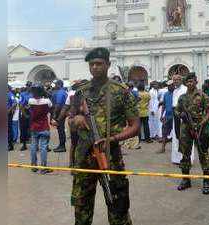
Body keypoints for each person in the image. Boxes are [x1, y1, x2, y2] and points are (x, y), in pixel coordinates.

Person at [71, 47, 139, 225]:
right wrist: (76, 119)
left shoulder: (121, 91)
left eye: (99, 64)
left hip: (110, 156)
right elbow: (70, 119)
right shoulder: (81, 92)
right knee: (81, 206)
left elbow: (135, 126)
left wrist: (113, 139)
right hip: (84, 157)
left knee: (117, 204)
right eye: (91, 64)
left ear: (108, 64)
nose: (95, 67)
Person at [175, 73, 209, 195]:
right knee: (185, 154)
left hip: (199, 127)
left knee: (203, 153)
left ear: (196, 81)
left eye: (192, 81)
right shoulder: (182, 97)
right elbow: (177, 110)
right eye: (188, 82)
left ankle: (206, 182)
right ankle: (186, 179)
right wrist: (180, 115)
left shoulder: (202, 95)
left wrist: (202, 122)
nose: (190, 83)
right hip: (186, 128)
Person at [28, 84, 53, 174]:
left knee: (33, 147)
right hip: (44, 127)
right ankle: (43, 167)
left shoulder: (30, 100)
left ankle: (33, 166)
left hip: (34, 127)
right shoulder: (47, 101)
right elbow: (51, 107)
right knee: (43, 148)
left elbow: (28, 108)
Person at [157, 80, 175, 153]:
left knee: (177, 134)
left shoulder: (176, 93)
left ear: (173, 85)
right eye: (168, 85)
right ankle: (163, 148)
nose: (168, 87)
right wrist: (162, 115)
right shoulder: (166, 94)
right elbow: (164, 105)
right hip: (167, 116)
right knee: (164, 132)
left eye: (170, 85)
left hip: (175, 117)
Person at [51, 79, 68, 152]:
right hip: (62, 112)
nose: (55, 86)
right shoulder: (63, 91)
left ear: (59, 85)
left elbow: (58, 105)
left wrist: (54, 115)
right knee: (60, 129)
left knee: (61, 130)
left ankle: (62, 146)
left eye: (56, 84)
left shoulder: (60, 92)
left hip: (60, 113)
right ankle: (61, 145)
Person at [19, 82, 33, 151]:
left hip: (31, 113)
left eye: (30, 86)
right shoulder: (22, 94)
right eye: (28, 86)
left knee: (33, 130)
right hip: (24, 114)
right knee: (23, 130)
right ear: (26, 86)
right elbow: (20, 105)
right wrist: (25, 115)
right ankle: (24, 145)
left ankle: (34, 144)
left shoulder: (33, 94)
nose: (29, 87)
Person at [7, 85, 16, 151]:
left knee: (9, 129)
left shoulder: (10, 94)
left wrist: (9, 110)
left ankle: (10, 145)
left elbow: (14, 103)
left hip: (8, 114)